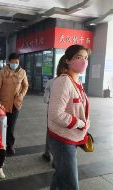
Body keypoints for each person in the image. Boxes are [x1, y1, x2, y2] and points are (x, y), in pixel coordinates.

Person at [48, 44, 90, 190]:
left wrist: (85, 123)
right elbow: (56, 114)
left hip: (70, 137)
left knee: (61, 175)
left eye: (86, 58)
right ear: (68, 60)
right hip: (62, 140)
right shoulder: (63, 82)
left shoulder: (77, 81)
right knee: (71, 183)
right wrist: (79, 123)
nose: (84, 61)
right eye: (79, 57)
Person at [0, 53, 29, 155]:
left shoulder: (22, 72)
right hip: (2, 104)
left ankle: (10, 145)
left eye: (16, 62)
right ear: (9, 62)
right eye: (12, 62)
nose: (14, 64)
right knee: (0, 124)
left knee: (11, 126)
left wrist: (21, 95)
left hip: (15, 104)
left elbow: (25, 86)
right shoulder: (3, 71)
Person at [42, 64, 67, 162]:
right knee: (63, 133)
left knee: (50, 132)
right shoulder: (73, 82)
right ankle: (58, 156)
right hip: (67, 113)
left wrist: (53, 101)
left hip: (52, 112)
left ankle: (48, 153)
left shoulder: (51, 82)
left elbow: (45, 99)